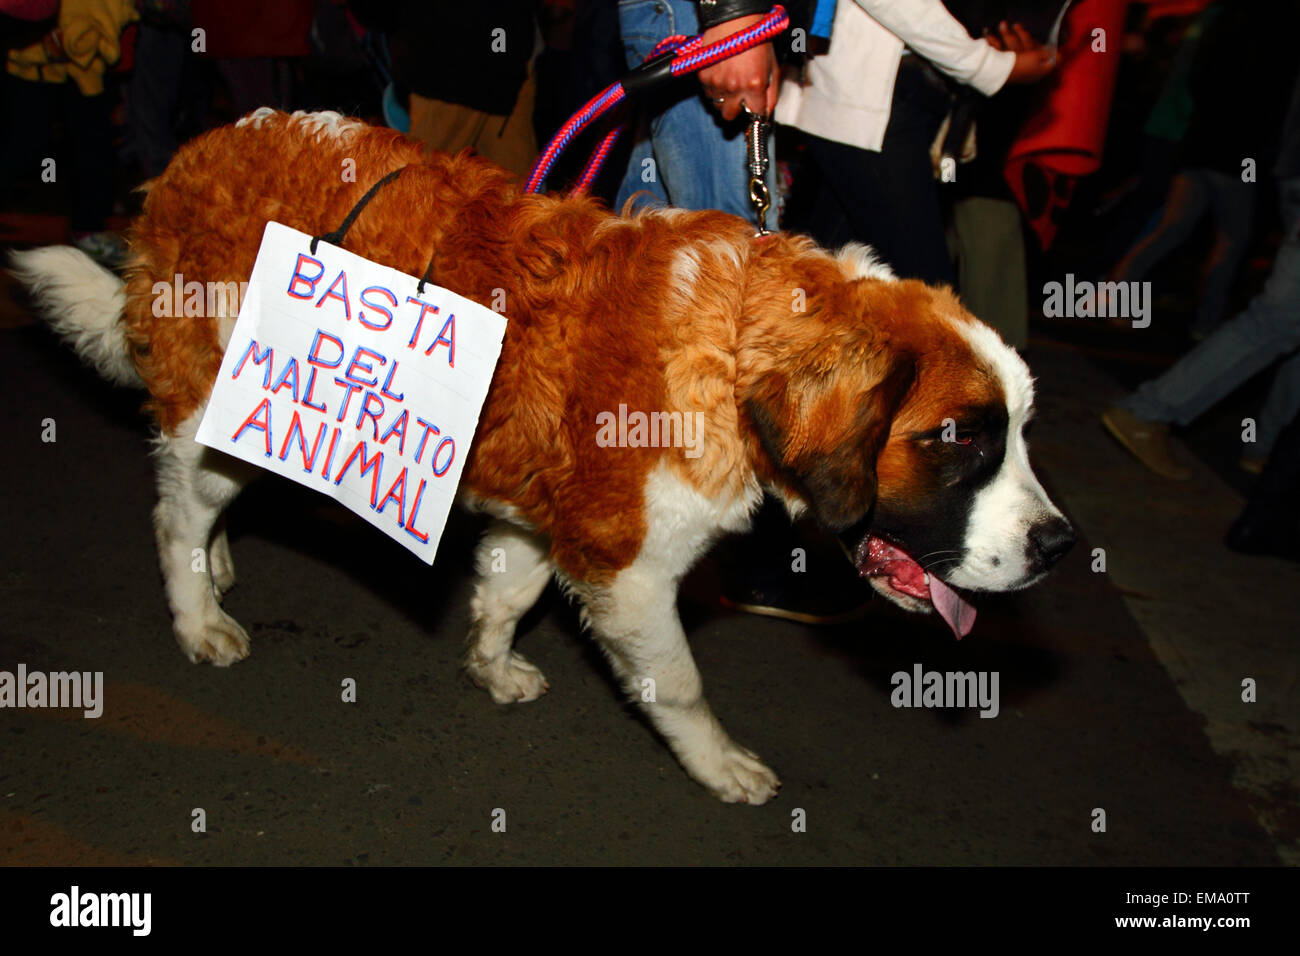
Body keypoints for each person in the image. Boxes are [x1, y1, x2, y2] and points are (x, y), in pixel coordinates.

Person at [1102, 75, 1300, 481]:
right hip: (1235, 156)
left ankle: (1267, 448)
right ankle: (1150, 409)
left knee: (1183, 232)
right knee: (1274, 312)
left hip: (1225, 153)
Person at [776, 1, 1055, 283]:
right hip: (872, 100)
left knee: (832, 282)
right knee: (924, 294)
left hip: (876, 98)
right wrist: (987, 64)